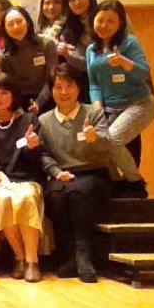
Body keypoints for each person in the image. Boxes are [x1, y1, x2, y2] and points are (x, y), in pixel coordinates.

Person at [39, 63, 112, 283]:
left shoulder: (93, 112)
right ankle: (71, 255)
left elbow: (108, 146)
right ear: (51, 90)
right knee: (54, 194)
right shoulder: (44, 120)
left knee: (76, 192)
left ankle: (83, 254)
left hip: (93, 173)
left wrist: (94, 138)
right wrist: (55, 171)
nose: (64, 92)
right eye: (58, 87)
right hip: (62, 176)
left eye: (69, 86)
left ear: (79, 88)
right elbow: (43, 155)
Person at [87, 0, 154, 198]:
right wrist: (97, 106)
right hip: (111, 108)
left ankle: (135, 183)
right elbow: (94, 84)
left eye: (111, 21)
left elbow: (144, 72)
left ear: (120, 23)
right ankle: (117, 184)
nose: (104, 25)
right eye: (100, 20)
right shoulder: (91, 50)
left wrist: (125, 63)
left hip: (139, 104)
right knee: (99, 143)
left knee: (113, 140)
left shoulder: (129, 43)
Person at [0, 74, 46, 282]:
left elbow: (37, 159)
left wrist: (32, 147)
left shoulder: (29, 120)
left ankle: (32, 261)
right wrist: (3, 180)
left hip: (28, 178)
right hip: (1, 179)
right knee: (3, 198)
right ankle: (19, 257)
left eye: (4, 93)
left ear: (13, 95)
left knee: (26, 197)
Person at [2, 6, 58, 114]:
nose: (16, 27)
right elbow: (11, 86)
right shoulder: (5, 54)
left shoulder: (46, 43)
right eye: (10, 24)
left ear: (27, 22)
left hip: (48, 96)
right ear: (5, 29)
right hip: (20, 103)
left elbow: (52, 78)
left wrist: (39, 102)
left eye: (19, 21)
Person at [58, 0, 98, 102]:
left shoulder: (102, 18)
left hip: (106, 77)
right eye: (72, 0)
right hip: (83, 81)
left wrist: (71, 55)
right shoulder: (68, 27)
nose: (77, 2)